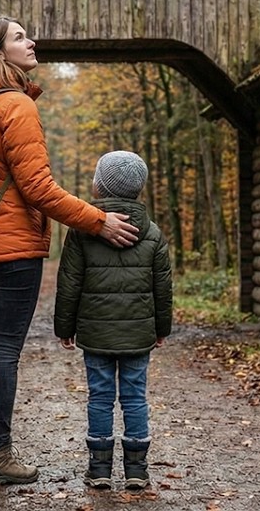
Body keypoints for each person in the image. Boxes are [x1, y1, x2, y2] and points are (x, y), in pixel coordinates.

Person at [0, 16, 141, 486]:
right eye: (19, 37)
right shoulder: (14, 105)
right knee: (4, 349)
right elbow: (38, 189)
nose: (32, 42)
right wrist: (98, 220)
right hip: (11, 246)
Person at [54, 150, 173, 491]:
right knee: (135, 397)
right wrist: (161, 328)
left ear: (99, 187)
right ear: (139, 191)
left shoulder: (82, 232)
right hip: (138, 334)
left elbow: (69, 283)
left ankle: (100, 468)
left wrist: (65, 327)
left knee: (100, 396)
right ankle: (136, 469)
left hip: (95, 331)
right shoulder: (152, 234)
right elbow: (163, 286)